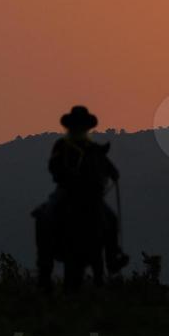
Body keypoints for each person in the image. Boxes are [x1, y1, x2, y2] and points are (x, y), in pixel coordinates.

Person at [45, 105, 129, 273]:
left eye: (82, 125)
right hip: (67, 190)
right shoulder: (62, 145)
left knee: (111, 220)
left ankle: (112, 258)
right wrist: (66, 174)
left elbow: (106, 165)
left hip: (90, 194)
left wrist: (113, 172)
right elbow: (53, 166)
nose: (79, 128)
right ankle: (49, 252)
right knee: (48, 215)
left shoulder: (92, 148)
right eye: (76, 125)